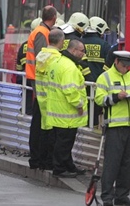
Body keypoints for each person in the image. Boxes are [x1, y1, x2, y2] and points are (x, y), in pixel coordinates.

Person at [95, 50, 130, 206]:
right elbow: (99, 99)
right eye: (124, 65)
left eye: (128, 66)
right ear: (116, 61)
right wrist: (117, 97)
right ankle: (107, 197)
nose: (126, 68)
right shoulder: (105, 77)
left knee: (127, 164)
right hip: (115, 126)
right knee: (112, 163)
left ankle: (122, 195)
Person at [44, 35, 88, 178]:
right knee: (64, 143)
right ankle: (60, 168)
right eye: (82, 51)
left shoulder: (57, 61)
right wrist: (79, 105)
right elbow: (70, 90)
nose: (83, 54)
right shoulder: (70, 68)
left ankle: (68, 165)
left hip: (56, 111)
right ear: (74, 50)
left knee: (60, 141)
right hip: (67, 113)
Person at [26, 6, 57, 170]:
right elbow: (42, 58)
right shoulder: (41, 33)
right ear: (54, 17)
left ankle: (38, 157)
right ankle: (38, 158)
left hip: (38, 79)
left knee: (40, 119)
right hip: (39, 80)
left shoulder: (41, 31)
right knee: (39, 120)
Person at [81, 16, 111, 125]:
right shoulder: (105, 45)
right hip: (98, 85)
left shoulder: (79, 42)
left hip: (82, 84)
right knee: (94, 115)